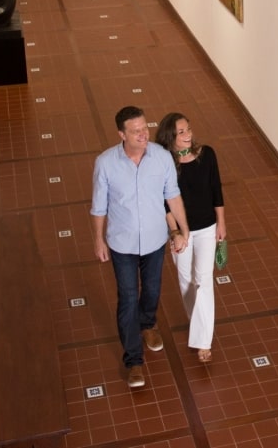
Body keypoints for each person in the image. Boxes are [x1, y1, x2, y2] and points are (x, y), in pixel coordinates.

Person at [91, 106, 190, 389]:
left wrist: (184, 229)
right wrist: (98, 239)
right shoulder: (106, 163)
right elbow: (99, 207)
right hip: (121, 243)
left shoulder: (161, 158)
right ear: (121, 134)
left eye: (145, 128)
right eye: (136, 131)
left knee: (153, 289)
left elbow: (172, 196)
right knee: (127, 297)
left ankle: (148, 324)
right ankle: (134, 360)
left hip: (155, 240)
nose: (143, 134)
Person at [155, 112, 226, 364]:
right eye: (181, 132)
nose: (188, 135)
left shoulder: (207, 154)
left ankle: (203, 340)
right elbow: (164, 202)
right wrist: (175, 233)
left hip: (207, 227)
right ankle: (199, 323)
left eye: (188, 129)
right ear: (169, 138)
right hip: (181, 232)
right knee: (186, 281)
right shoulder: (164, 164)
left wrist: (221, 223)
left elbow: (216, 189)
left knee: (204, 280)